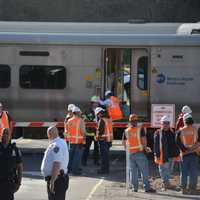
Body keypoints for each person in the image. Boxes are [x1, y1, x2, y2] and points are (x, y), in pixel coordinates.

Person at [122, 114, 155, 193]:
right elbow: (143, 140)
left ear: (130, 122)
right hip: (139, 153)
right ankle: (147, 188)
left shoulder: (126, 131)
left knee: (133, 171)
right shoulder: (140, 129)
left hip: (130, 154)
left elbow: (124, 142)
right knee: (144, 171)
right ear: (136, 121)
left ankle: (135, 188)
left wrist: (128, 150)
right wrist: (146, 148)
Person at [41, 126, 69, 200]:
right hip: (59, 178)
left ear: (49, 134)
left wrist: (52, 181)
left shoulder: (56, 145)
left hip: (57, 180)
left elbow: (57, 164)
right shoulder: (61, 142)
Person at [176, 113, 200, 195]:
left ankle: (184, 189)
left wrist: (185, 150)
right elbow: (199, 142)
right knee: (194, 172)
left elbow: (177, 142)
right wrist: (192, 149)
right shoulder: (197, 129)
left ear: (184, 121)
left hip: (184, 155)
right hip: (194, 153)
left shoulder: (180, 131)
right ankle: (192, 189)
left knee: (184, 172)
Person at [154, 116, 180, 190]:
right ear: (161, 124)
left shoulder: (172, 132)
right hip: (163, 155)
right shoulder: (158, 133)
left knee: (169, 170)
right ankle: (165, 184)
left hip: (171, 155)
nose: (165, 125)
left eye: (167, 123)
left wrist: (176, 154)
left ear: (169, 124)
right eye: (164, 123)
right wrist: (157, 155)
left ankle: (166, 183)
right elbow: (156, 145)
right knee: (163, 170)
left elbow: (175, 143)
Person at [0, 128, 23, 200]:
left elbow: (20, 167)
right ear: (1, 135)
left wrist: (19, 183)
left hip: (9, 183)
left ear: (10, 136)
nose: (5, 135)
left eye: (7, 134)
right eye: (4, 133)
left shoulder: (15, 149)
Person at [66, 106, 85, 175]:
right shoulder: (80, 120)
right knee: (77, 157)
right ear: (77, 113)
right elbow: (83, 131)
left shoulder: (69, 120)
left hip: (71, 141)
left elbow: (67, 131)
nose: (80, 114)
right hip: (79, 141)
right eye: (80, 112)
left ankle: (68, 169)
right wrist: (84, 139)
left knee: (70, 156)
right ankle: (75, 171)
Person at [82, 96, 100, 166]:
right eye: (95, 103)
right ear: (92, 103)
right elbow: (83, 117)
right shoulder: (87, 111)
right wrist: (90, 121)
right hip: (89, 133)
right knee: (86, 148)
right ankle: (83, 161)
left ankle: (96, 161)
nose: (96, 104)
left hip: (96, 133)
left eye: (97, 103)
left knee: (96, 149)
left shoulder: (100, 111)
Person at [95, 107, 113, 174]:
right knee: (106, 156)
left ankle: (103, 170)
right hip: (108, 140)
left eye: (97, 114)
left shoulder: (102, 120)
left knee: (103, 157)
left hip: (103, 140)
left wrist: (97, 137)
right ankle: (106, 170)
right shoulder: (109, 119)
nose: (97, 116)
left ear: (99, 113)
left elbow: (100, 131)